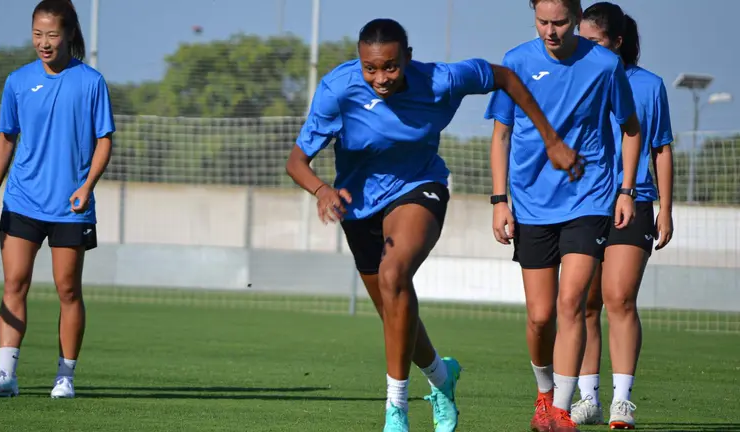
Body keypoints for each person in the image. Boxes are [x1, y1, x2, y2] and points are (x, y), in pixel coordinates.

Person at [286, 17, 582, 432]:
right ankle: (443, 379)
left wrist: (550, 138)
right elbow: (296, 162)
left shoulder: (441, 80)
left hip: (418, 187)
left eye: (390, 66)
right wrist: (321, 191)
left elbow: (506, 78)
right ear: (359, 61)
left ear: (407, 57)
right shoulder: (338, 89)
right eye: (370, 68)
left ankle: (396, 411)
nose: (381, 77)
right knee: (394, 310)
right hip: (358, 207)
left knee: (394, 275)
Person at [483, 0, 644, 430]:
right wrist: (500, 199)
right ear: (533, 15)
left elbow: (630, 128)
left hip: (588, 199)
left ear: (575, 16)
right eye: (542, 22)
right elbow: (501, 134)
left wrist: (626, 190)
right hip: (533, 204)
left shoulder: (605, 65)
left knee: (571, 301)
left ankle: (560, 410)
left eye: (559, 22)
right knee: (540, 316)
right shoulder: (516, 61)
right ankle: (544, 395)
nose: (550, 31)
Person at [0, 0, 115, 399]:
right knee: (13, 285)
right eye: (37, 34)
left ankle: (65, 377)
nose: (44, 42)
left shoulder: (91, 82)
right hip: (21, 201)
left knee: (67, 290)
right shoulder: (18, 81)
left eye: (52, 34)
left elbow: (104, 141)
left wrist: (86, 187)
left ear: (69, 33)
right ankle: (6, 375)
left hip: (70, 207)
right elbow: (6, 139)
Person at [571, 3, 674, 429]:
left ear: (616, 42)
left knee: (619, 298)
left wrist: (666, 209)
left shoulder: (650, 86)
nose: (584, 48)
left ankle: (622, 401)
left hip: (636, 202)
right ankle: (588, 399)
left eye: (593, 41)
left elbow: (661, 146)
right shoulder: (575, 81)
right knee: (585, 303)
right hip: (583, 204)